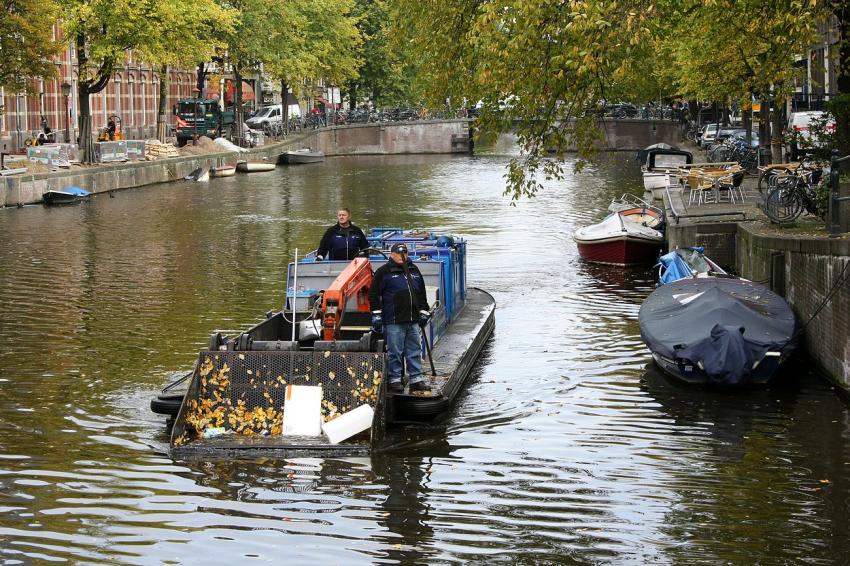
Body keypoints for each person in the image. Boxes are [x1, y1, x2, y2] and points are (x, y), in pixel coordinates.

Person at [368, 242, 432, 394]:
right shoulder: (384, 272)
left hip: (413, 319)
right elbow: (374, 294)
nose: (402, 256)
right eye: (399, 253)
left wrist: (424, 311)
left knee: (414, 349)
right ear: (392, 254)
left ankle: (416, 379)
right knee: (395, 351)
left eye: (405, 253)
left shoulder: (414, 270)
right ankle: (395, 379)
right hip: (394, 319)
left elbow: (420, 292)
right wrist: (376, 314)